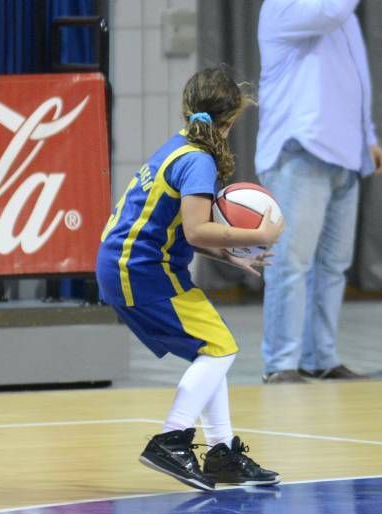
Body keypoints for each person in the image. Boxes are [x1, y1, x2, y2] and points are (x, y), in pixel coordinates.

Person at [97, 66, 283, 491]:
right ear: (231, 121)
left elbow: (175, 226)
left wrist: (227, 254)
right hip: (140, 269)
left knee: (213, 348)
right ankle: (172, 439)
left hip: (135, 263)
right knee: (219, 348)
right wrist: (259, 234)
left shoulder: (179, 147)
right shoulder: (198, 161)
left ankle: (221, 452)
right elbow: (197, 229)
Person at [256, 0, 382, 384]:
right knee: (291, 262)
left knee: (333, 265)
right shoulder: (283, 7)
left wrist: (369, 137)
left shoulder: (341, 14)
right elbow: (328, 12)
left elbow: (357, 78)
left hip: (346, 154)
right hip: (300, 152)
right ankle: (281, 363)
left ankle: (321, 357)